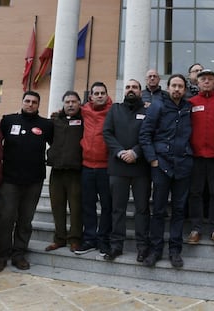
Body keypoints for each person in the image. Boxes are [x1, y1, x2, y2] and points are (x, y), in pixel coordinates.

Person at [0, 91, 53, 273]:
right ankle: (1, 256)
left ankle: (19, 254)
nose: (30, 104)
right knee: (6, 218)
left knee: (25, 220)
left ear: (38, 105)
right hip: (9, 180)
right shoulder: (8, 120)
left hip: (34, 181)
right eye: (27, 101)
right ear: (22, 102)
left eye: (34, 102)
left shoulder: (46, 125)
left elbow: (60, 142)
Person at [139, 74, 193, 268]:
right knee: (159, 210)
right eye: (174, 85)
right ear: (168, 87)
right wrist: (152, 159)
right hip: (161, 165)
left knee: (179, 211)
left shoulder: (188, 108)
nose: (177, 89)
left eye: (180, 86)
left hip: (183, 165)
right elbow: (145, 134)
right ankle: (155, 250)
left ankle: (175, 251)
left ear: (185, 89)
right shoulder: (157, 106)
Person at [103, 79, 151, 262]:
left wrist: (135, 152)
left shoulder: (148, 110)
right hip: (118, 166)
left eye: (135, 87)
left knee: (142, 209)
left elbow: (150, 134)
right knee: (118, 209)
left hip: (140, 168)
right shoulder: (114, 109)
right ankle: (116, 246)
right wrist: (120, 152)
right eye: (128, 87)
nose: (131, 90)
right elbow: (107, 133)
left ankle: (142, 246)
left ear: (140, 91)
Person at [187, 69, 214, 246]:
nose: (207, 82)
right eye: (203, 79)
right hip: (195, 156)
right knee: (195, 192)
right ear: (198, 82)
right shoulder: (191, 103)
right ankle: (196, 227)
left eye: (210, 79)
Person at [74, 82, 113, 256]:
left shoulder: (114, 111)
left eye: (102, 93)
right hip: (87, 166)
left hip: (106, 167)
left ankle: (104, 239)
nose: (99, 96)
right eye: (96, 93)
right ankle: (89, 238)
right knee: (88, 205)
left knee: (107, 205)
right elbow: (66, 112)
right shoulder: (83, 111)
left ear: (106, 94)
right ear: (90, 96)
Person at [45, 91, 84, 253]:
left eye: (74, 102)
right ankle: (59, 239)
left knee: (76, 208)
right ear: (63, 104)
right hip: (57, 171)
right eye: (67, 102)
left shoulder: (85, 120)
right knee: (57, 206)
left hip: (76, 172)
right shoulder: (54, 120)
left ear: (79, 103)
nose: (70, 105)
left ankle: (75, 239)